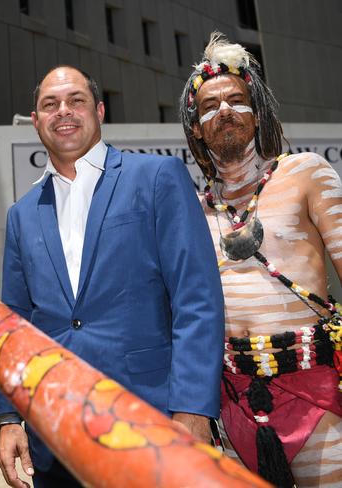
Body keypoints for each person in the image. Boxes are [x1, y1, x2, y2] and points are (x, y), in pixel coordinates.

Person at [0, 65, 225, 487]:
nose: (63, 111)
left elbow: (197, 298)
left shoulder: (157, 178)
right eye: (50, 104)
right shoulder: (21, 215)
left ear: (99, 110)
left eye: (76, 100)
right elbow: (13, 322)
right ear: (36, 121)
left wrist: (193, 408)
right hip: (54, 435)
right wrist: (9, 417)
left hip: (152, 424)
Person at [179, 32, 342, 487]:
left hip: (315, 394)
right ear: (195, 126)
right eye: (209, 106)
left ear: (258, 111)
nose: (223, 111)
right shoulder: (192, 210)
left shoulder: (306, 173)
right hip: (232, 405)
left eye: (236, 99)